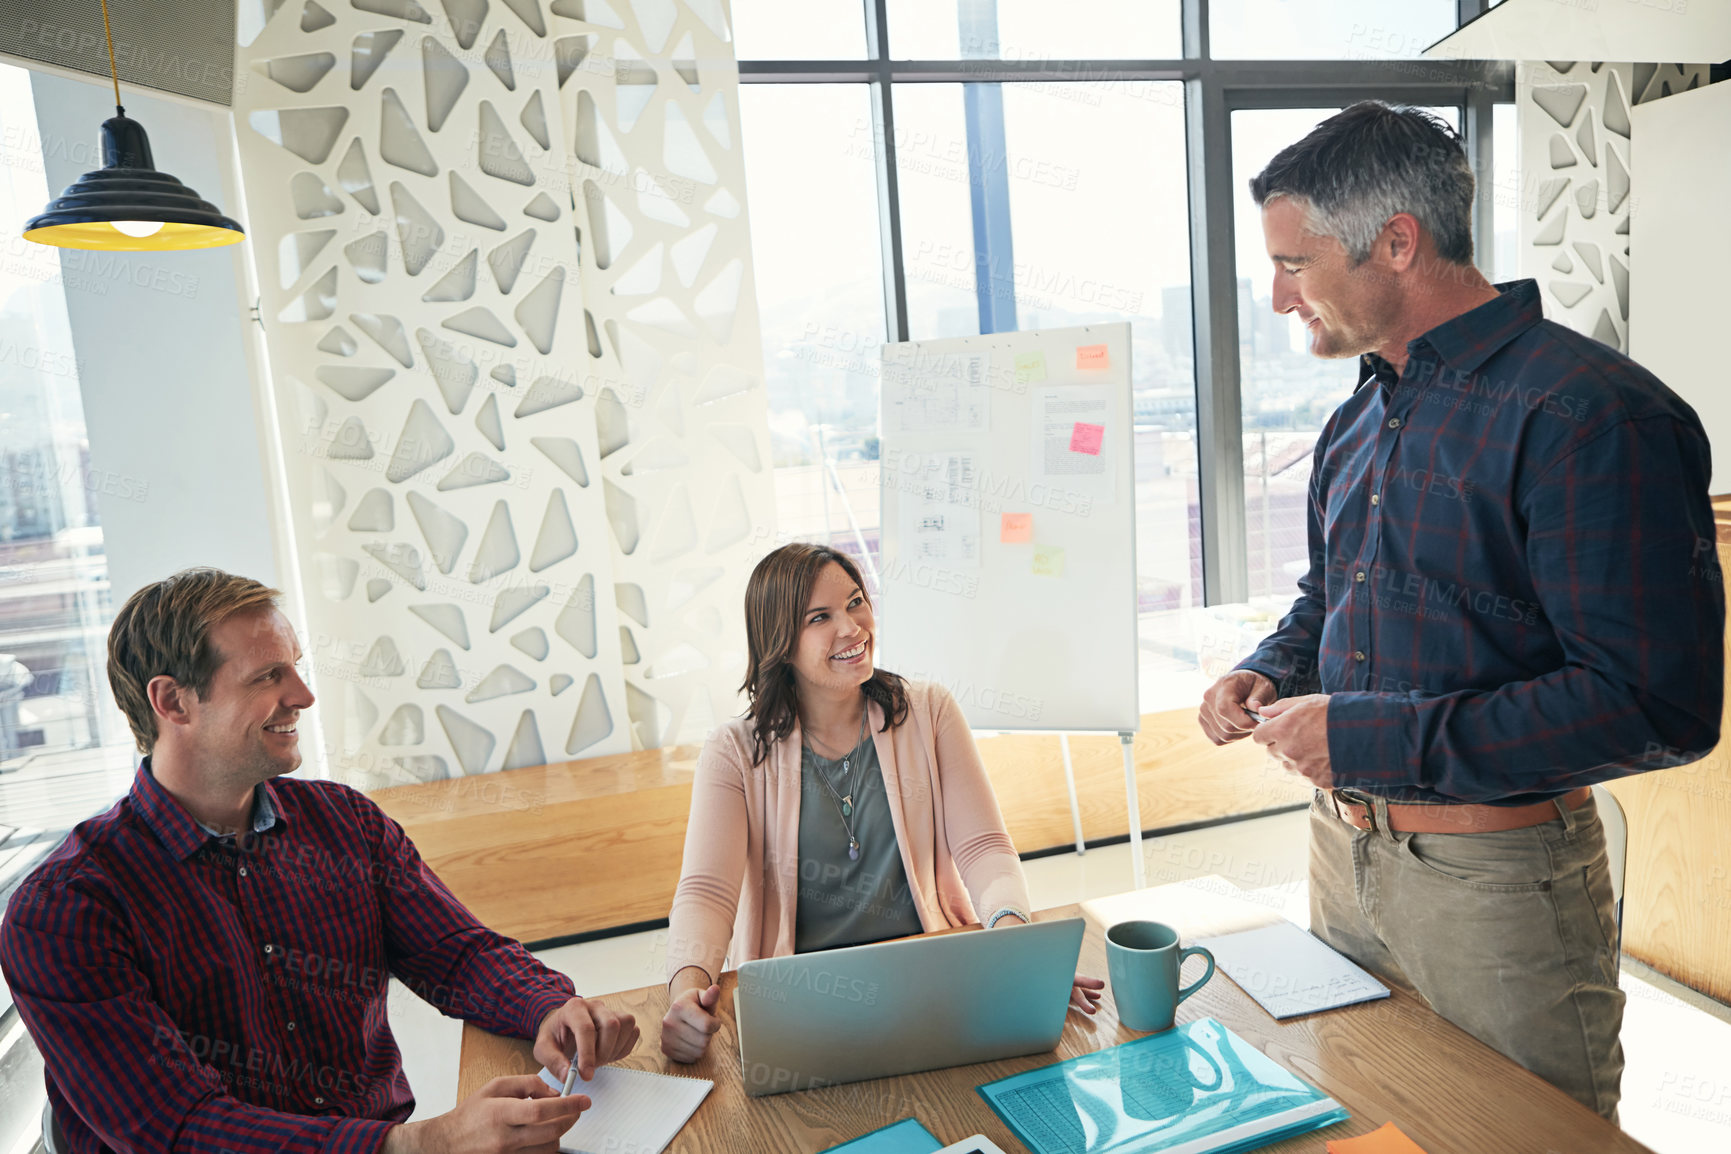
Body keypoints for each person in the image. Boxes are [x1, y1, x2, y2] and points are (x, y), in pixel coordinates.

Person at [1198, 102, 1724, 1121]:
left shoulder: (1591, 415)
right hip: (1341, 850)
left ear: (1396, 242)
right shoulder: (1360, 416)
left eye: (1294, 264)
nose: (1276, 297)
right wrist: (1272, 664)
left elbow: (1653, 704)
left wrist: (1361, 729)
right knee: (1368, 1116)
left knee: (1520, 1138)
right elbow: (1334, 596)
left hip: (1496, 881)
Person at [0, 568, 640, 1153]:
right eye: (266, 677)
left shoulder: (344, 822)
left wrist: (548, 1006)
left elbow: (456, 954)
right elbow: (177, 1128)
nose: (303, 696)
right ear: (172, 702)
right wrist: (421, 1145)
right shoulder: (64, 910)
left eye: (295, 668)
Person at [660, 543, 1103, 1061]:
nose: (851, 627)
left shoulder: (929, 711)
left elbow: (983, 848)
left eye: (855, 602)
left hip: (935, 983)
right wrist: (685, 992)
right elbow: (707, 894)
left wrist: (1016, 947)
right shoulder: (735, 751)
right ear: (779, 641)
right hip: (801, 1009)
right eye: (820, 617)